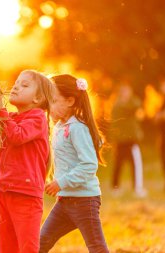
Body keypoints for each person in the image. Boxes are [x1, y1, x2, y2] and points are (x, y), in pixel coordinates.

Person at [40, 74, 109, 253]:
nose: (49, 106)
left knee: (97, 248)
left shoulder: (77, 128)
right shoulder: (59, 127)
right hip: (64, 202)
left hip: (85, 201)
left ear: (70, 100)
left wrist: (61, 182)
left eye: (54, 101)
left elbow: (89, 165)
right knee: (40, 244)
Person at [0, 70, 53, 253]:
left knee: (27, 249)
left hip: (26, 195)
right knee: (7, 249)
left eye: (24, 85)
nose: (16, 86)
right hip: (4, 191)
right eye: (16, 83)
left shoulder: (37, 118)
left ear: (37, 99)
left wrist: (0, 107)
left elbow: (16, 135)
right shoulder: (11, 119)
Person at [109, 82, 147, 197]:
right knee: (118, 165)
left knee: (135, 164)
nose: (126, 94)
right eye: (124, 91)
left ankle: (137, 188)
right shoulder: (118, 106)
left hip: (132, 140)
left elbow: (138, 105)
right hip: (121, 140)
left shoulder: (133, 102)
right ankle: (115, 188)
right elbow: (129, 109)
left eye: (128, 91)